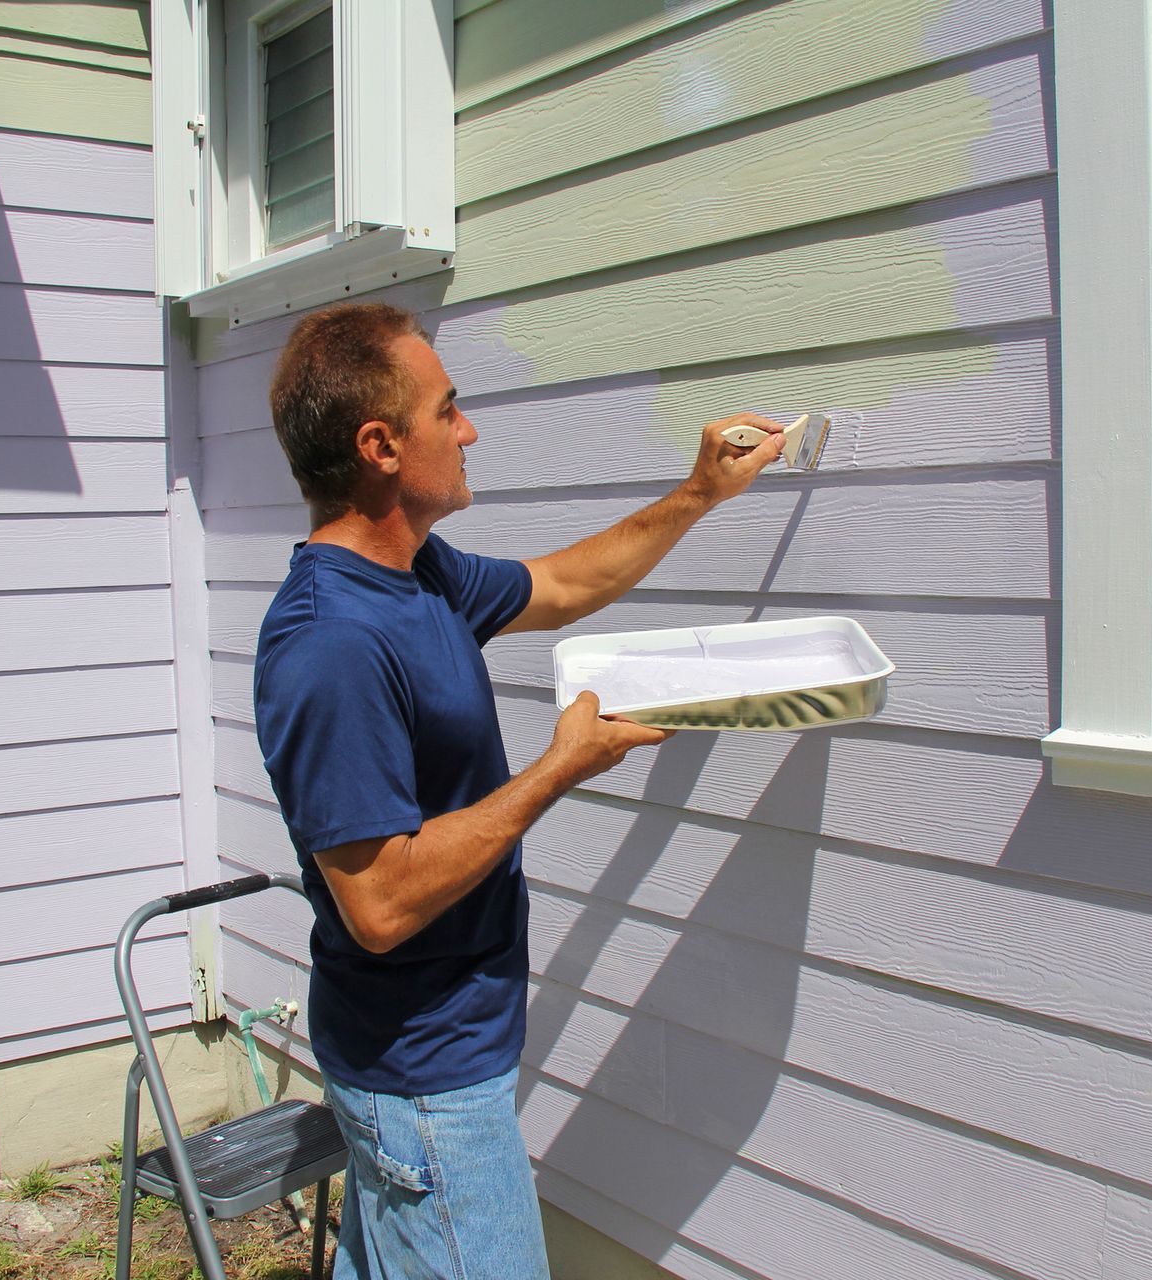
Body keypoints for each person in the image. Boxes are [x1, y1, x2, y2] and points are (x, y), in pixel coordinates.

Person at [253, 301, 787, 1279]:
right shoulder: (331, 643)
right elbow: (376, 903)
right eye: (447, 409)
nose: (469, 429)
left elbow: (563, 584)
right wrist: (557, 768)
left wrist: (699, 492)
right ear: (380, 445)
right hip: (423, 1075)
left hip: (440, 1054)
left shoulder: (422, 577)